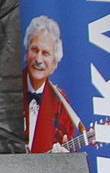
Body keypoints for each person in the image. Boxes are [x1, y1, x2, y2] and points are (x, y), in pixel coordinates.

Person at [23, 15, 82, 153]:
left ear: (54, 62)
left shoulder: (60, 102)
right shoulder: (8, 89)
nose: (38, 59)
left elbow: (64, 151)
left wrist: (64, 156)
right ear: (26, 52)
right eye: (34, 50)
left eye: (45, 53)